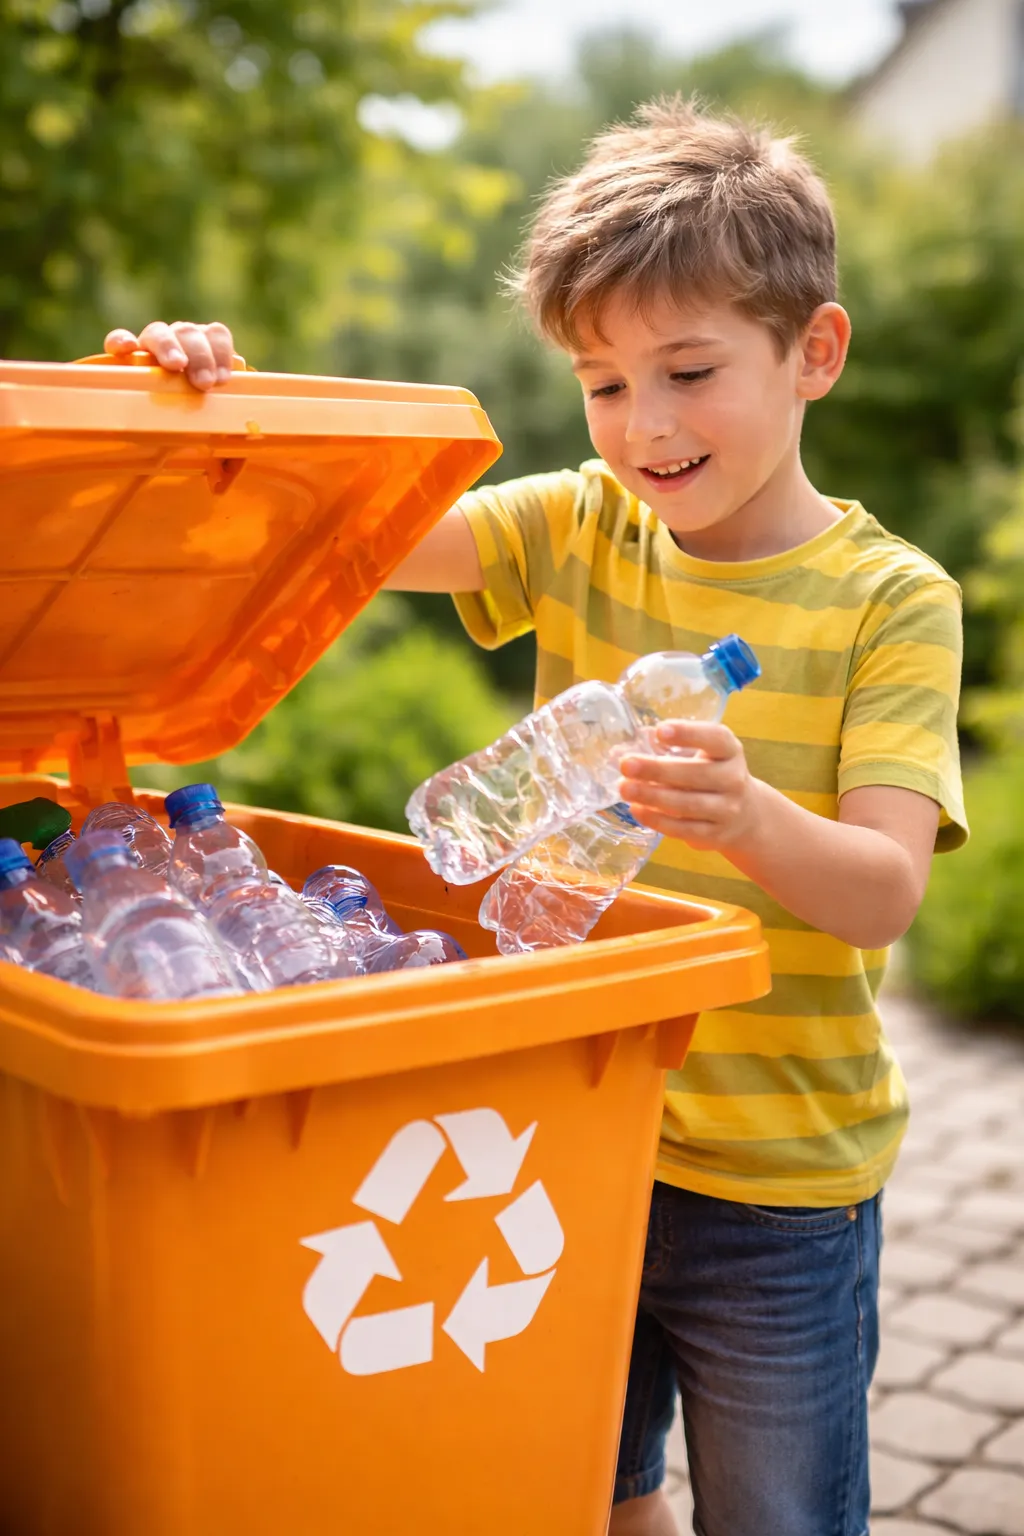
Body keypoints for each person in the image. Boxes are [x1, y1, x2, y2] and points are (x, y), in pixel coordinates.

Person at [106, 98, 966, 1536]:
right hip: (566, 1137)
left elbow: (882, 893)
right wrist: (205, 403)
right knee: (580, 1493)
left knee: (776, 1516)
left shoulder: (892, 603)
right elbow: (348, 526)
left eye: (688, 370)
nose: (646, 427)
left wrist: (748, 814)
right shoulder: (580, 525)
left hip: (777, 1179)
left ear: (813, 352)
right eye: (604, 384)